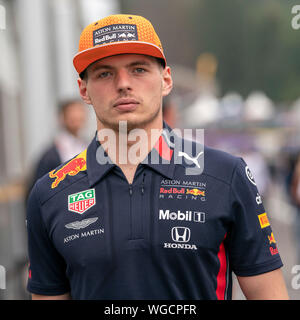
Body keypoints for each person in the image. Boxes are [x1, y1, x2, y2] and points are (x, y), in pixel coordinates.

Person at [26, 14, 289, 300]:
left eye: (138, 69)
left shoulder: (226, 175)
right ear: (83, 90)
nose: (123, 83)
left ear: (166, 81)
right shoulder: (49, 193)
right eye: (104, 73)